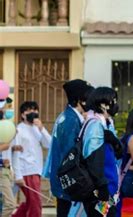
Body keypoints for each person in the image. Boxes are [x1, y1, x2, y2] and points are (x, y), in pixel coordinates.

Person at [43, 79, 94, 217]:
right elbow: (71, 155)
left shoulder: (68, 117)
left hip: (65, 182)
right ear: (79, 100)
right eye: (88, 97)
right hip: (69, 184)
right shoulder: (70, 121)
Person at [81, 87, 122, 217]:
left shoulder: (107, 124)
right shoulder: (95, 126)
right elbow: (93, 159)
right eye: (113, 101)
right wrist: (102, 187)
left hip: (108, 188)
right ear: (103, 105)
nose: (115, 104)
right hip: (99, 191)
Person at [12, 101, 52, 217]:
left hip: (36, 170)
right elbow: (16, 154)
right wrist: (18, 175)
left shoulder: (36, 128)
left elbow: (49, 144)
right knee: (35, 203)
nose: (33, 113)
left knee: (30, 202)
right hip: (26, 171)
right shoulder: (19, 130)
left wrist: (41, 128)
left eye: (35, 110)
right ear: (23, 114)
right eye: (29, 110)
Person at [0, 90, 19, 217]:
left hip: (4, 168)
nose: (7, 110)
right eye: (6, 107)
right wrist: (4, 146)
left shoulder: (5, 127)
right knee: (10, 204)